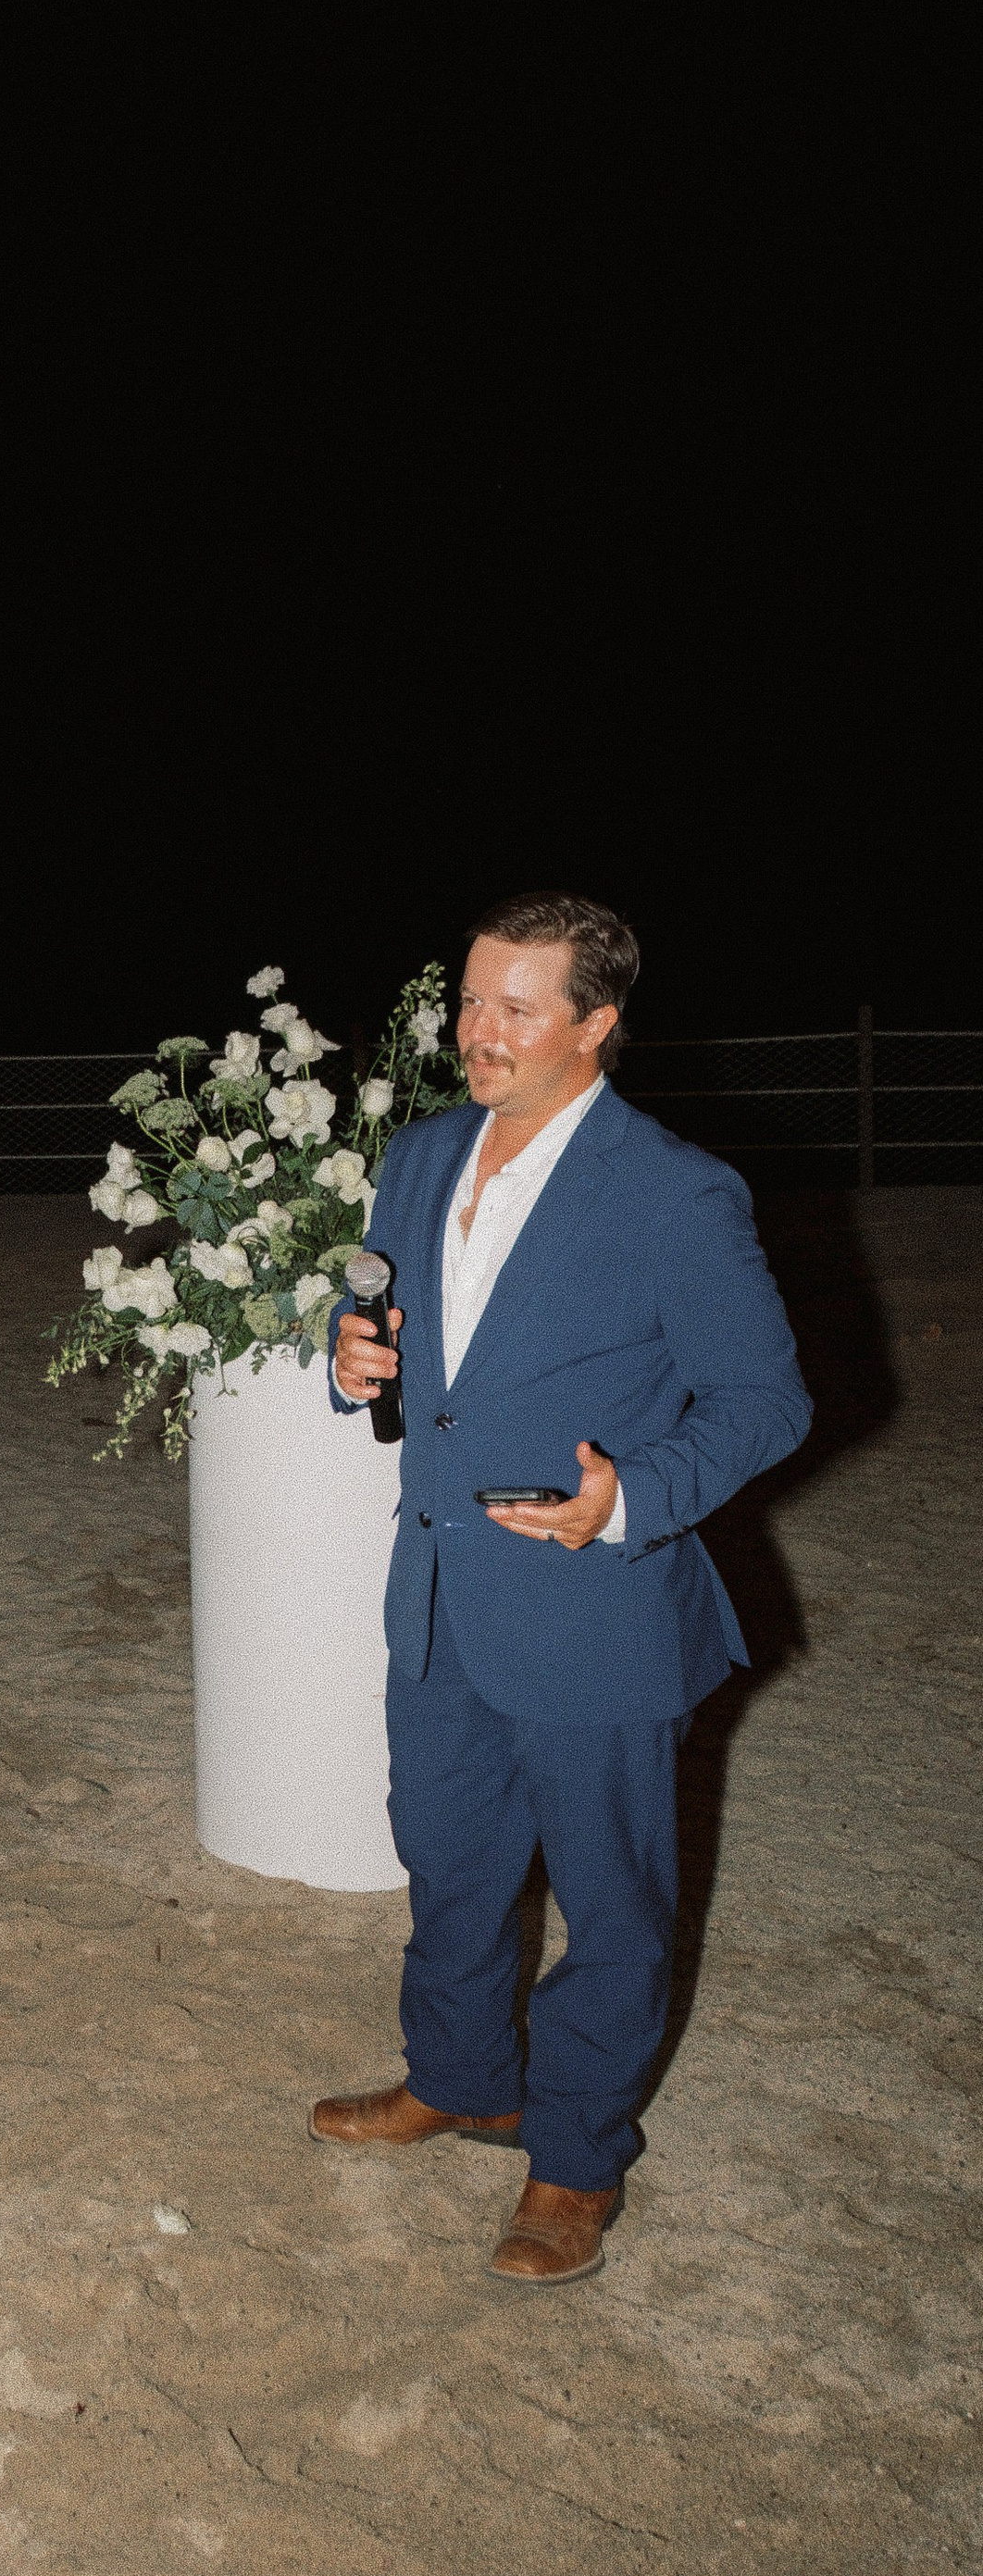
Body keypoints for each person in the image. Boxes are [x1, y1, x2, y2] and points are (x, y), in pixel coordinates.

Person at [317, 893, 809, 2282]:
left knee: (613, 1901)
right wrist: (358, 1364)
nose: (477, 1033)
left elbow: (766, 1399)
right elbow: (401, 1337)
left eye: (515, 1008)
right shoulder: (416, 1159)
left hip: (597, 1612)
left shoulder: (674, 1190)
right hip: (439, 1601)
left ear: (595, 1025)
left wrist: (630, 1500)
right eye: (469, 1002)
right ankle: (461, 2076)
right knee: (450, 1862)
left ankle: (577, 2162)